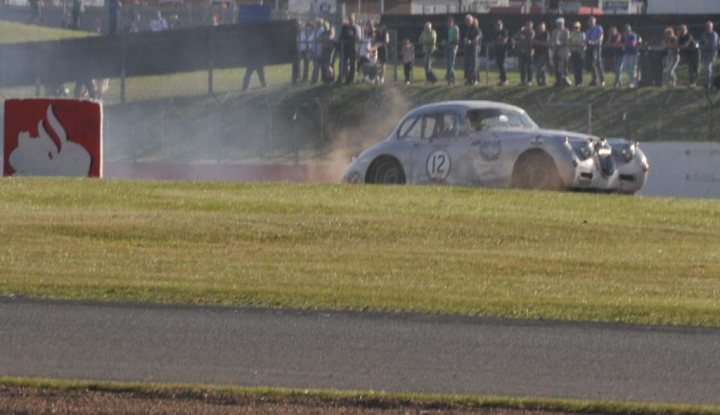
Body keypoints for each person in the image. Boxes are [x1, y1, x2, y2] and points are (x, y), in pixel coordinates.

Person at [338, 14, 360, 84]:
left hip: (352, 48)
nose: (350, 20)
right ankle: (341, 78)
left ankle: (351, 79)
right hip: (344, 48)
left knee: (352, 64)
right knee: (342, 63)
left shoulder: (356, 28)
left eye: (351, 19)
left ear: (354, 19)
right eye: (349, 18)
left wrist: (352, 35)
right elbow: (341, 37)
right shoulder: (344, 27)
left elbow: (358, 38)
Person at [616, 24, 639, 88]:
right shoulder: (624, 35)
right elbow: (618, 43)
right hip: (626, 53)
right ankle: (621, 81)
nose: (626, 32)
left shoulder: (633, 35)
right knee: (624, 68)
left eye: (627, 30)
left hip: (633, 54)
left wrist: (623, 44)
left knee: (632, 68)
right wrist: (621, 43)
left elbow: (633, 44)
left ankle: (633, 82)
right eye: (625, 31)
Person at [513, 20, 535, 86]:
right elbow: (515, 37)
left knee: (529, 67)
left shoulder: (532, 32)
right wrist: (520, 31)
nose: (528, 26)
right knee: (522, 67)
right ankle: (522, 80)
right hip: (521, 51)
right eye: (527, 25)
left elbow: (530, 39)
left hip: (529, 51)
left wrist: (522, 38)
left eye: (529, 25)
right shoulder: (521, 32)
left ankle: (529, 80)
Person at [550, 17, 570, 87]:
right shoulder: (554, 31)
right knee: (556, 66)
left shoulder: (566, 31)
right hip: (555, 50)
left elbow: (567, 41)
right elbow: (552, 39)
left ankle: (565, 80)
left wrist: (560, 43)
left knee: (563, 67)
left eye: (561, 24)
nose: (559, 25)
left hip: (563, 51)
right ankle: (558, 80)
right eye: (558, 24)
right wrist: (553, 43)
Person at [699, 21, 719, 90]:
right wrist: (703, 46)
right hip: (704, 54)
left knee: (708, 68)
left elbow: (711, 46)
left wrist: (704, 46)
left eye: (709, 27)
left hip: (712, 54)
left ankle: (709, 84)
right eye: (706, 26)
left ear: (712, 27)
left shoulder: (714, 35)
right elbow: (700, 43)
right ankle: (709, 83)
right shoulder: (703, 34)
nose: (707, 28)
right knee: (706, 69)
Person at [585, 16, 604, 86]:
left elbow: (601, 37)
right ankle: (594, 80)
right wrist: (588, 42)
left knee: (598, 62)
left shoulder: (599, 28)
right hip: (590, 48)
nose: (591, 23)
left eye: (592, 21)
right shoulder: (588, 30)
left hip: (597, 47)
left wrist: (596, 41)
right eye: (590, 21)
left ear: (595, 22)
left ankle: (602, 80)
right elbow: (587, 39)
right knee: (592, 64)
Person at [463, 14, 481, 86]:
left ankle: (475, 79)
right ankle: (469, 80)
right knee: (468, 64)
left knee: (474, 64)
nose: (467, 22)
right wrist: (466, 40)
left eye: (469, 21)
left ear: (472, 21)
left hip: (474, 48)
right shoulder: (468, 29)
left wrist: (472, 41)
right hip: (468, 48)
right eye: (466, 21)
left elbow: (478, 36)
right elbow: (467, 37)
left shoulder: (475, 28)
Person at [443, 15, 459, 85]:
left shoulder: (456, 28)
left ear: (452, 22)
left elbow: (457, 39)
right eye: (448, 22)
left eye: (450, 22)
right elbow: (447, 38)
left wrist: (449, 43)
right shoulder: (448, 29)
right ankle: (452, 78)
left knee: (451, 63)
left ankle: (450, 78)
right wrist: (444, 42)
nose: (448, 23)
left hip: (453, 47)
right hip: (448, 48)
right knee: (448, 64)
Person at [492, 20, 510, 86]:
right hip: (497, 50)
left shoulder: (504, 31)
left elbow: (504, 41)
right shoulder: (495, 33)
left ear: (502, 25)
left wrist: (499, 42)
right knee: (499, 65)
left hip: (503, 51)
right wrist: (497, 43)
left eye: (499, 24)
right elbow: (494, 41)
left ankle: (505, 79)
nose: (498, 26)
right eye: (497, 25)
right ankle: (501, 79)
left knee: (502, 64)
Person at [569, 21, 586, 86]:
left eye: (577, 27)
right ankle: (576, 82)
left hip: (580, 52)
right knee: (575, 68)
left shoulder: (582, 34)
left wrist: (581, 45)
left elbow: (583, 42)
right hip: (574, 52)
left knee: (580, 68)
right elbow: (570, 41)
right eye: (575, 27)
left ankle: (580, 82)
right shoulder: (572, 34)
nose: (576, 29)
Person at [534, 22, 550, 86]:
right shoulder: (536, 34)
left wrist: (537, 42)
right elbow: (533, 43)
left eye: (542, 27)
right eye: (539, 28)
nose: (540, 29)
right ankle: (539, 82)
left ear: (544, 28)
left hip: (544, 53)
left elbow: (545, 43)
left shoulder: (546, 34)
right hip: (537, 53)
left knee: (541, 68)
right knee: (537, 69)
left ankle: (544, 81)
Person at [310, 19, 325, 84]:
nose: (315, 24)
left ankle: (316, 79)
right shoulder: (316, 30)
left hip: (320, 50)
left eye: (317, 23)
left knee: (318, 66)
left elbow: (318, 39)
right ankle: (315, 79)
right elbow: (312, 38)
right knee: (316, 66)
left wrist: (315, 40)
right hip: (315, 50)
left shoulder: (321, 30)